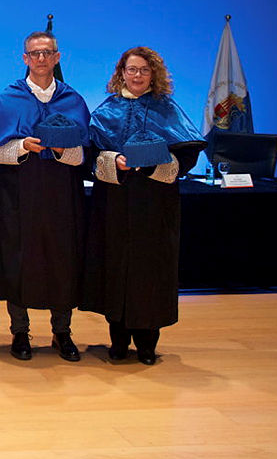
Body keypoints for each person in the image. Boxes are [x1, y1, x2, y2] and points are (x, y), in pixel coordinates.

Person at [82, 47, 205, 365]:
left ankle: (148, 343)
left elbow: (188, 155)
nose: (137, 76)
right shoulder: (106, 111)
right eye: (131, 70)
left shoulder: (168, 109)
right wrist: (115, 162)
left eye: (144, 71)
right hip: (115, 203)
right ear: (121, 72)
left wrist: (152, 165)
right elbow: (88, 157)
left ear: (155, 75)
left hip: (155, 205)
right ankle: (119, 341)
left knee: (150, 270)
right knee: (115, 267)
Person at [0, 31, 90, 362]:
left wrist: (62, 150)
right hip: (20, 196)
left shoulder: (73, 100)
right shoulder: (8, 99)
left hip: (61, 196)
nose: (41, 59)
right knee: (19, 261)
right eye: (35, 53)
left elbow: (85, 153)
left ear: (57, 58)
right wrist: (22, 146)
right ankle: (20, 332)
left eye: (47, 53)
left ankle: (62, 332)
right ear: (25, 59)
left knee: (61, 259)